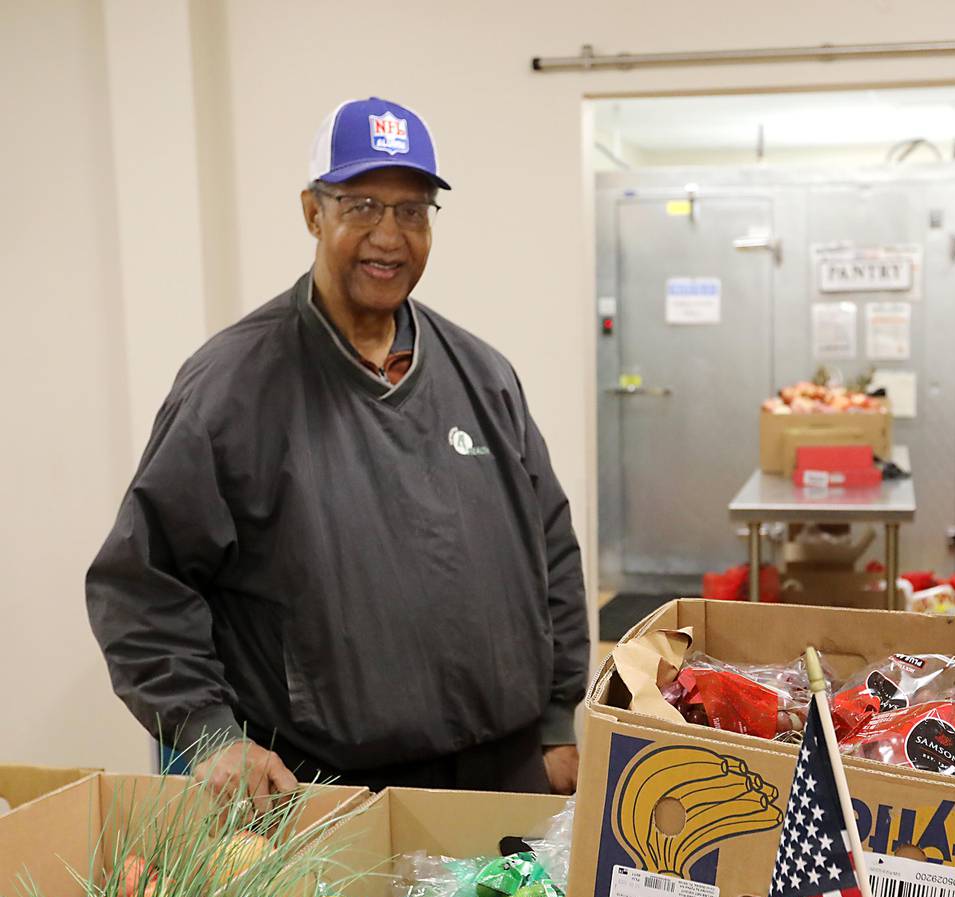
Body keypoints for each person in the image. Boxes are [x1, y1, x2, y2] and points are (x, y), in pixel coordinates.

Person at [87, 97, 587, 804]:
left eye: (412, 211)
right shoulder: (231, 388)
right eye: (361, 205)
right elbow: (141, 585)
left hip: (503, 780)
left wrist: (560, 718)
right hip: (329, 793)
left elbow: (553, 553)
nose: (390, 235)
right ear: (312, 213)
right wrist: (208, 734)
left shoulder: (483, 375)